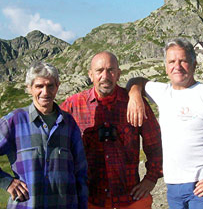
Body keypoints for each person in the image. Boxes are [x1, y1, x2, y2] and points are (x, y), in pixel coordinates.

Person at [127, 38, 203, 209]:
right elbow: (136, 81)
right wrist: (135, 95)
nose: (177, 66)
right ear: (166, 67)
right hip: (173, 187)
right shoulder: (162, 92)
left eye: (183, 60)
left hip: (202, 188)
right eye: (171, 61)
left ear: (194, 64)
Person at [0, 62, 88, 209]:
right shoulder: (15, 121)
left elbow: (80, 172)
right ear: (29, 88)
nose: (45, 92)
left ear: (57, 87)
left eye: (50, 86)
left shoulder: (68, 123)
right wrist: (7, 182)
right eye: (39, 86)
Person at [60, 51, 163, 209]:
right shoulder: (74, 105)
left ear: (118, 73)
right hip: (91, 200)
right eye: (99, 71)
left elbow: (155, 144)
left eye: (111, 70)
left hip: (130, 198)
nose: (105, 76)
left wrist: (151, 178)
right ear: (91, 75)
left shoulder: (134, 102)